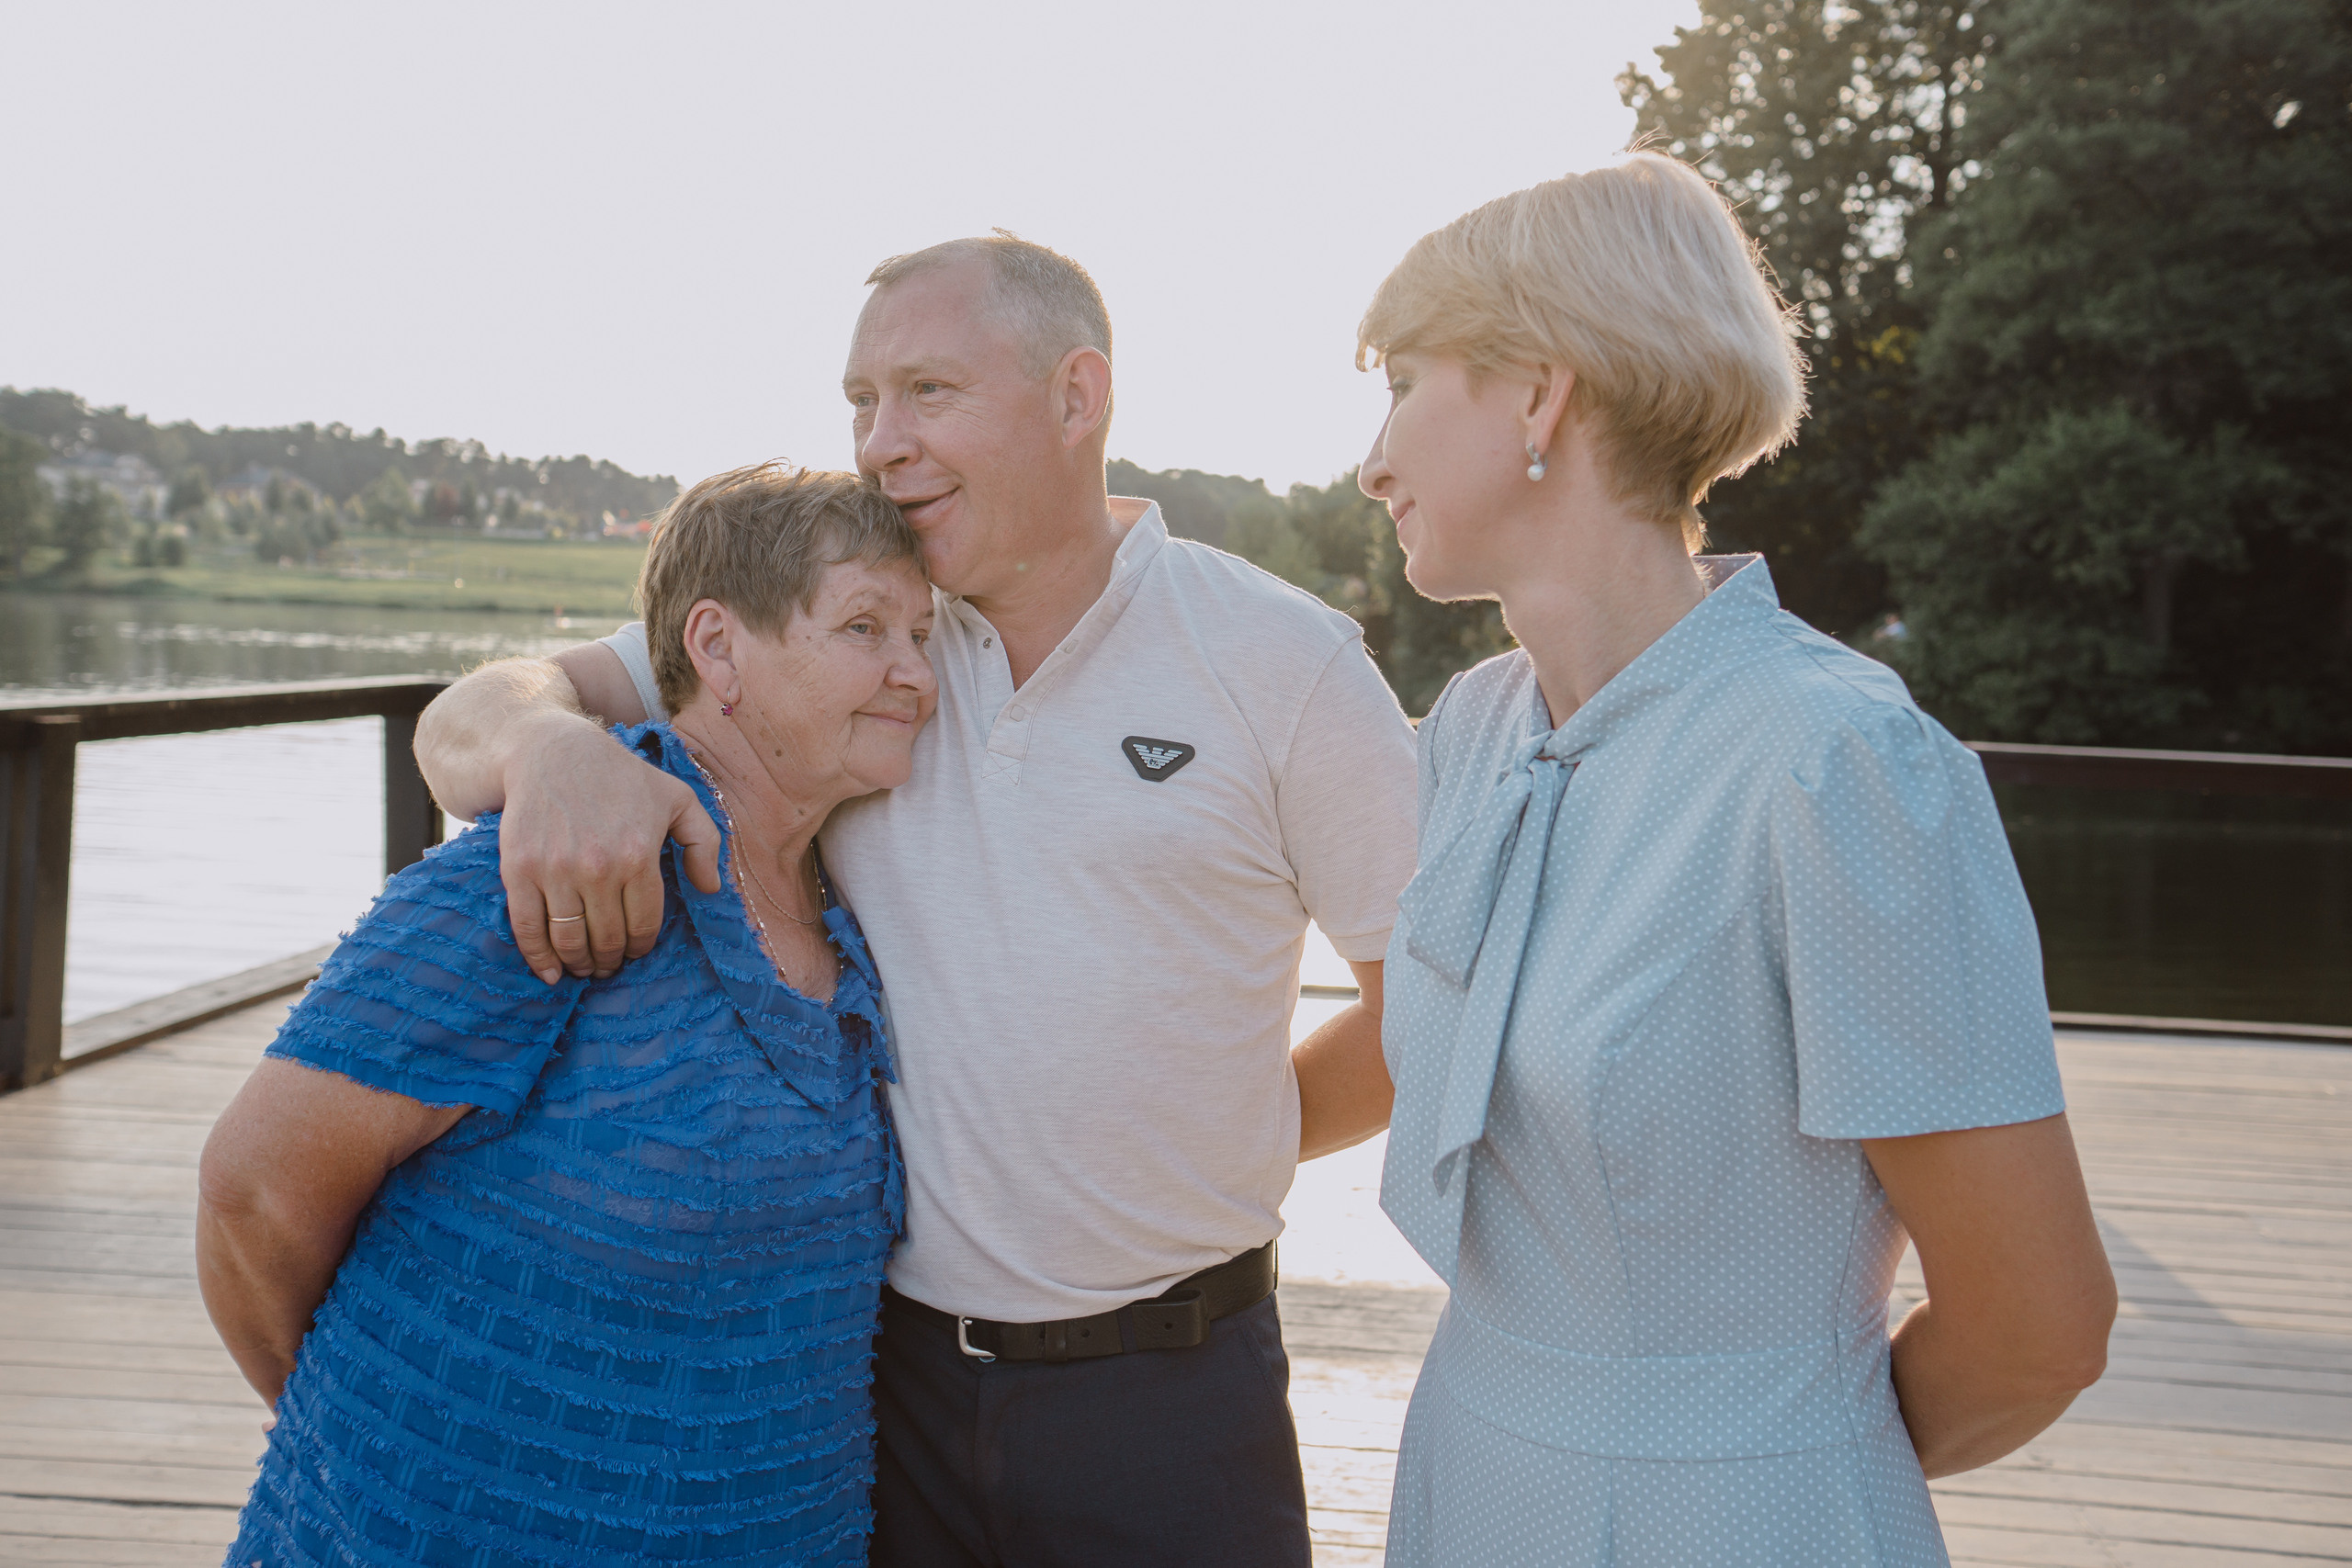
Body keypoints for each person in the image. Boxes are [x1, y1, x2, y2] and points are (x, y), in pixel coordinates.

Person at [409, 234, 1418, 1566]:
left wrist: (1221, 1134)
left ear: (1077, 396)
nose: (882, 442)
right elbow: (465, 717)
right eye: (861, 401)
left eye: (927, 390)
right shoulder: (855, 643)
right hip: (877, 1394)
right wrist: (548, 749)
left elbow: (1428, 1006)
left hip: (1173, 1394)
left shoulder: (1280, 660)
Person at [1356, 155, 2118, 1565]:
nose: (1372, 458)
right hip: (1465, 1473)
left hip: (1743, 1514)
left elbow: (2039, 1326)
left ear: (1540, 391)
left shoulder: (1836, 765)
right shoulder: (1469, 729)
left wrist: (1776, 1446)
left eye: (1402, 379)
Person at [196, 464, 933, 1566]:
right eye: (866, 627)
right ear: (719, 647)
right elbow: (254, 1193)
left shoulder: (844, 911)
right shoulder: (554, 865)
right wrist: (365, 1426)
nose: (915, 674)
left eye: (924, 635)